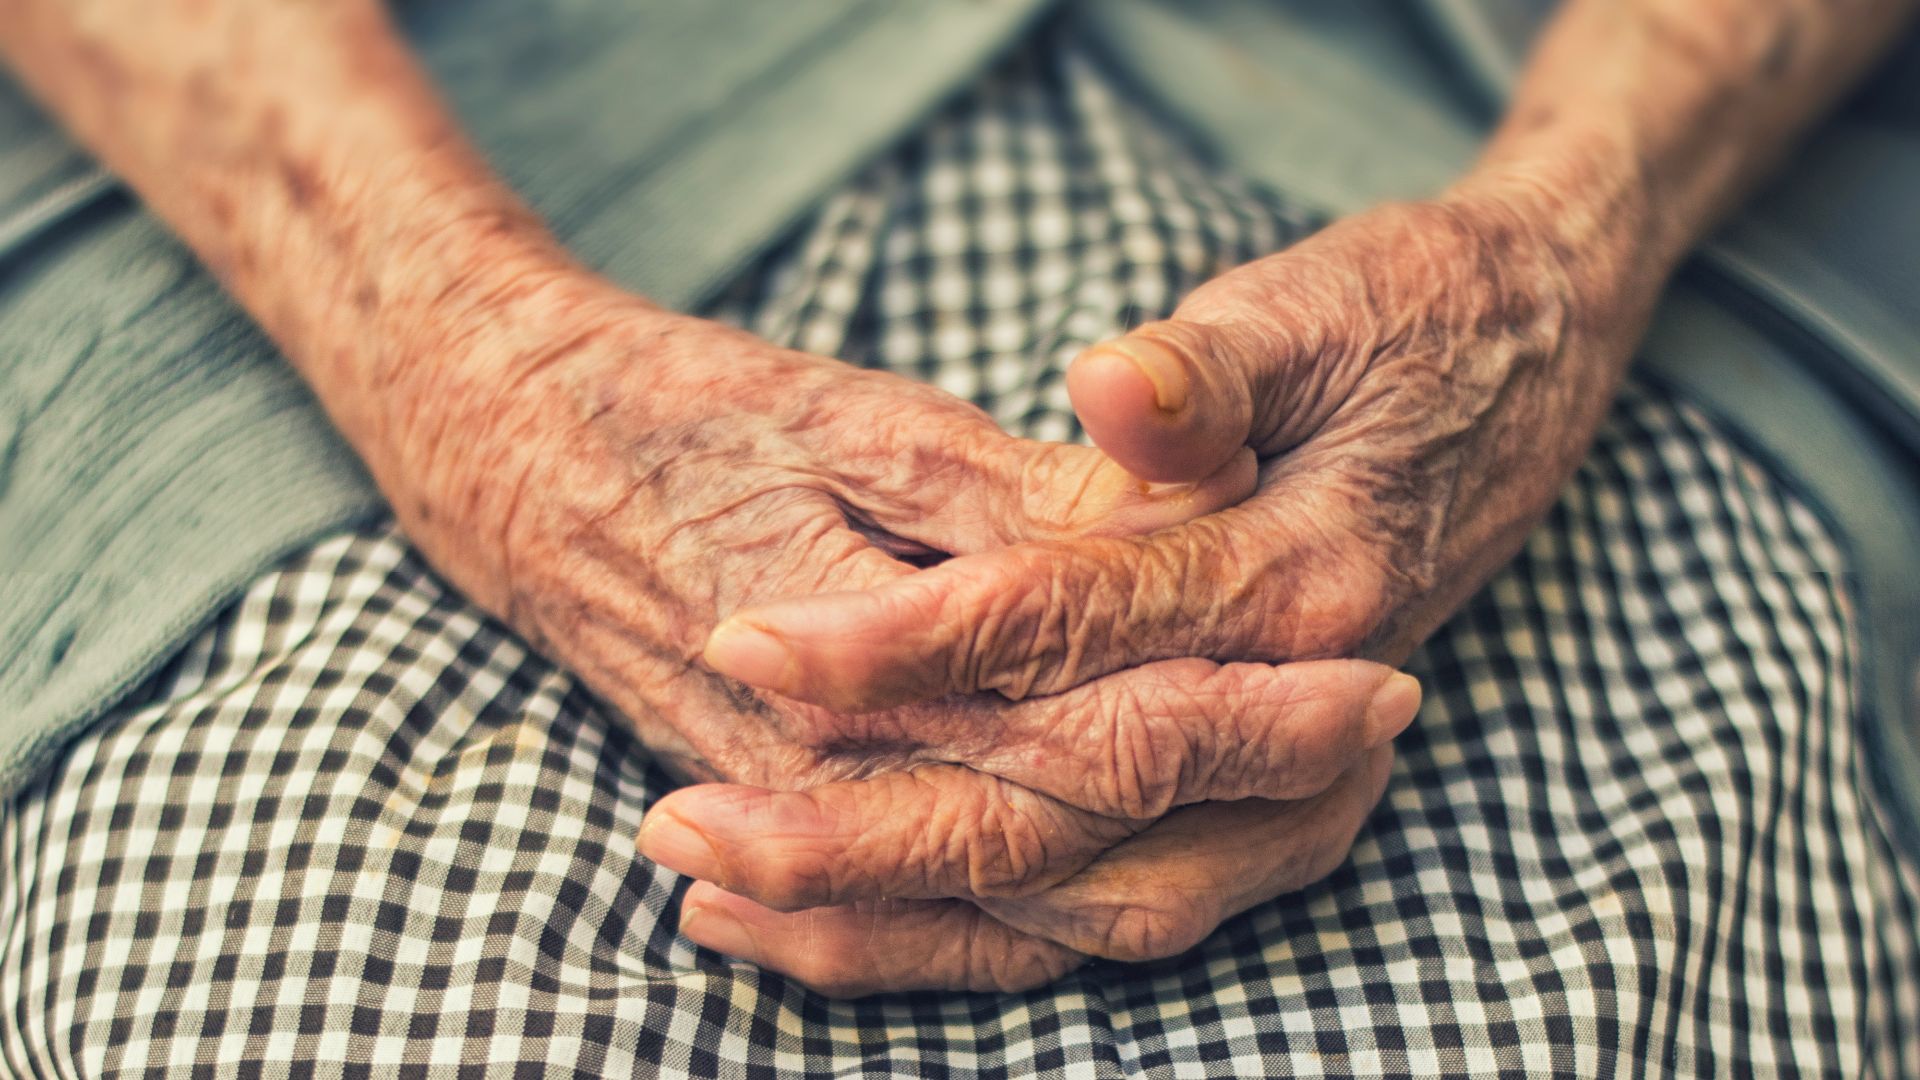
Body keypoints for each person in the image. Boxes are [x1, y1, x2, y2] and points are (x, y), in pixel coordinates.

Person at [0, 0, 1914, 1075]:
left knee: (1601, 995)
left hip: (1499, 135)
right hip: (380, 181)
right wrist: (466, 357)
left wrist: (1566, 245)